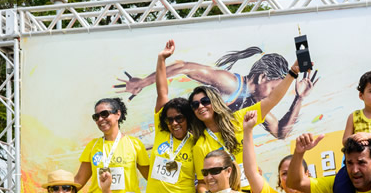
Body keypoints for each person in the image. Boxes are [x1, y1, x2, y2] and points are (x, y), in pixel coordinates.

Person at [115, 45, 319, 140]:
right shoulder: (231, 84)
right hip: (184, 138)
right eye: (274, 88)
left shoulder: (254, 104)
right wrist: (144, 82)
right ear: (262, 77)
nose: (272, 95)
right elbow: (185, 67)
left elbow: (280, 132)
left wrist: (299, 98)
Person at [189, 57, 314, 193]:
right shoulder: (200, 146)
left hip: (255, 191)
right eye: (195, 105)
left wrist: (293, 73)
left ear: (214, 101)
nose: (200, 106)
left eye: (205, 101)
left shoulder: (238, 119)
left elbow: (271, 100)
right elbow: (202, 183)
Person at [74, 97, 149, 193]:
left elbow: (150, 178)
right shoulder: (93, 146)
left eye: (104, 114)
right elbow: (79, 180)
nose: (100, 119)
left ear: (117, 114)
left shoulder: (134, 144)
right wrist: (58, 192)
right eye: (96, 117)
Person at [141, 40, 202, 193]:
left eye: (179, 118)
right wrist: (161, 59)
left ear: (188, 118)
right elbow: (162, 92)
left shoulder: (196, 141)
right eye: (170, 119)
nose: (174, 123)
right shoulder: (163, 133)